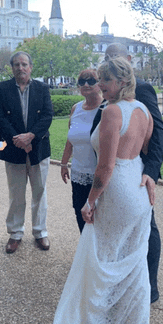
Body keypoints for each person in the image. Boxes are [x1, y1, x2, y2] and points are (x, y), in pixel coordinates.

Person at [46, 56, 153, 324]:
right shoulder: (143, 110)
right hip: (138, 191)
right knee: (129, 263)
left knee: (104, 259)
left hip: (116, 192)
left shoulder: (112, 112)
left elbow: (105, 168)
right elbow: (143, 150)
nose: (101, 85)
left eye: (104, 79)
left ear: (120, 82)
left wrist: (89, 201)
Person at [91, 43, 163, 304]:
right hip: (123, 176)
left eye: (114, 60)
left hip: (123, 181)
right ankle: (123, 295)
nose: (102, 81)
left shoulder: (133, 97)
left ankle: (145, 290)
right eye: (106, 59)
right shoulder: (118, 101)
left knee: (132, 238)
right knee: (120, 242)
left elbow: (158, 134)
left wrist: (151, 172)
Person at [0, 51, 53, 254]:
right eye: (16, 64)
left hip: (38, 148)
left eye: (24, 64)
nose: (20, 68)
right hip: (14, 149)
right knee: (16, 194)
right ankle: (15, 233)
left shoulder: (42, 88)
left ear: (30, 67)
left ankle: (40, 232)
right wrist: (18, 140)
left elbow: (47, 116)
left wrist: (31, 137)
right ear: (12, 68)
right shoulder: (2, 88)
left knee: (40, 193)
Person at [60, 69, 103, 232]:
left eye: (91, 81)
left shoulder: (106, 109)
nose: (86, 84)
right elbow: (70, 140)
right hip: (78, 174)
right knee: (80, 214)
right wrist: (64, 164)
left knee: (99, 217)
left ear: (99, 84)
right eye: (82, 81)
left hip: (98, 174)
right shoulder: (75, 108)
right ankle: (86, 253)